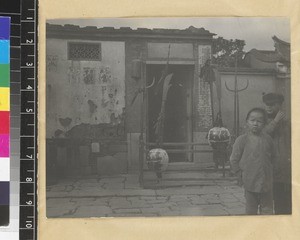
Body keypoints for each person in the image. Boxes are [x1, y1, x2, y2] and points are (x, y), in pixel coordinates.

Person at [230, 108, 278, 215]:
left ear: (264, 123)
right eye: (252, 120)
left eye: (259, 121)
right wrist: (240, 175)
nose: (255, 124)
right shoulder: (242, 140)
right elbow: (233, 160)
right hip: (250, 182)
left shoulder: (268, 139)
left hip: (266, 183)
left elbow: (274, 157)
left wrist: (271, 173)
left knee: (267, 211)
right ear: (247, 122)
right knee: (251, 211)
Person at [262, 93, 291, 214]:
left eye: (272, 105)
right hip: (268, 171)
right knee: (266, 208)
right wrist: (275, 121)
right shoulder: (262, 122)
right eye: (266, 105)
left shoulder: (288, 123)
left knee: (283, 205)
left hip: (284, 171)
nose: (268, 107)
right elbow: (263, 136)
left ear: (280, 105)